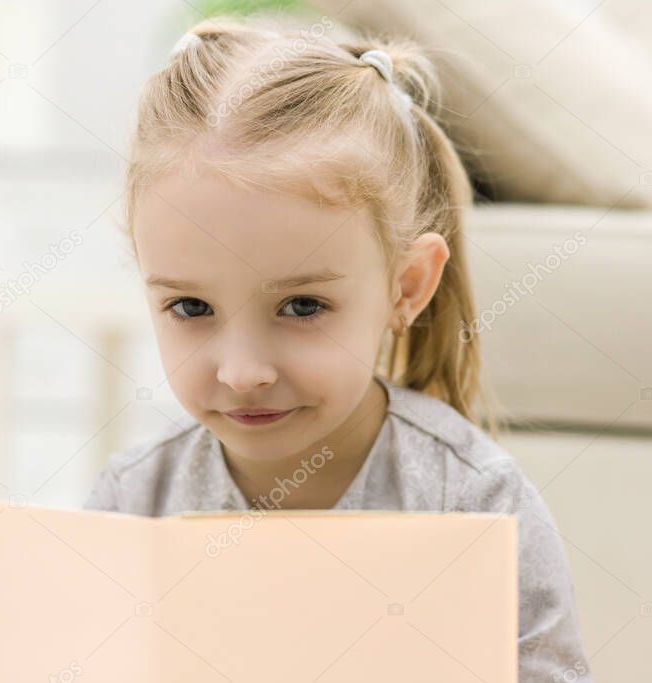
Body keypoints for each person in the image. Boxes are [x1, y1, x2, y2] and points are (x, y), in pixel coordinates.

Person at [83, 15, 593, 682]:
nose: (243, 372)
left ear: (405, 286)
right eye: (191, 307)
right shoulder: (134, 499)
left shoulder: (469, 495)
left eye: (302, 306)